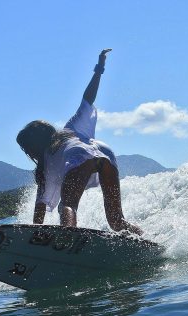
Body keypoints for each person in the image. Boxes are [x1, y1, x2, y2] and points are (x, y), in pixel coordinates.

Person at [16, 49, 142, 235]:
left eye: (27, 148)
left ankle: (69, 237)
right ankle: (144, 240)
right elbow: (87, 99)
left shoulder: (46, 164)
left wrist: (35, 234)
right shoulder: (69, 130)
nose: (28, 153)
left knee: (67, 206)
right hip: (105, 156)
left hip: (79, 158)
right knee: (116, 220)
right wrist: (99, 68)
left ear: (34, 146)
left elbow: (40, 206)